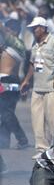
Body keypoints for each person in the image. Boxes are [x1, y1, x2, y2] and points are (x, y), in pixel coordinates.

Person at [20, 17, 54, 159]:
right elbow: (32, 65)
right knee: (37, 120)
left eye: (36, 28)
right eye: (33, 28)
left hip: (52, 88)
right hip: (37, 88)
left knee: (52, 121)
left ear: (43, 28)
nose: (34, 30)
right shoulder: (35, 44)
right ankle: (41, 149)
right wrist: (26, 81)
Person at [0, 19, 29, 150]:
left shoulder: (16, 43)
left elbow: (2, 30)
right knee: (7, 112)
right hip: (11, 81)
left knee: (6, 112)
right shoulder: (12, 45)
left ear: (14, 31)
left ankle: (22, 139)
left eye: (7, 30)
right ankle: (4, 141)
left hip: (8, 81)